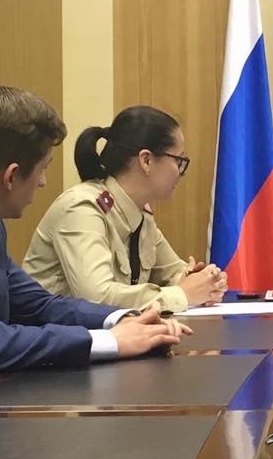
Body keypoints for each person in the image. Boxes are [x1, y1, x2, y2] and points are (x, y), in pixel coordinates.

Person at [0, 87, 191, 403]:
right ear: (11, 176)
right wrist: (107, 341)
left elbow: (39, 306)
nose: (43, 182)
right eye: (43, 168)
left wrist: (123, 320)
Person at [23, 106, 227, 312]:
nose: (181, 172)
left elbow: (173, 272)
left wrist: (203, 281)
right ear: (146, 160)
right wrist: (182, 294)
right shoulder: (82, 209)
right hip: (52, 331)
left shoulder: (140, 214)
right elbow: (97, 298)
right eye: (179, 161)